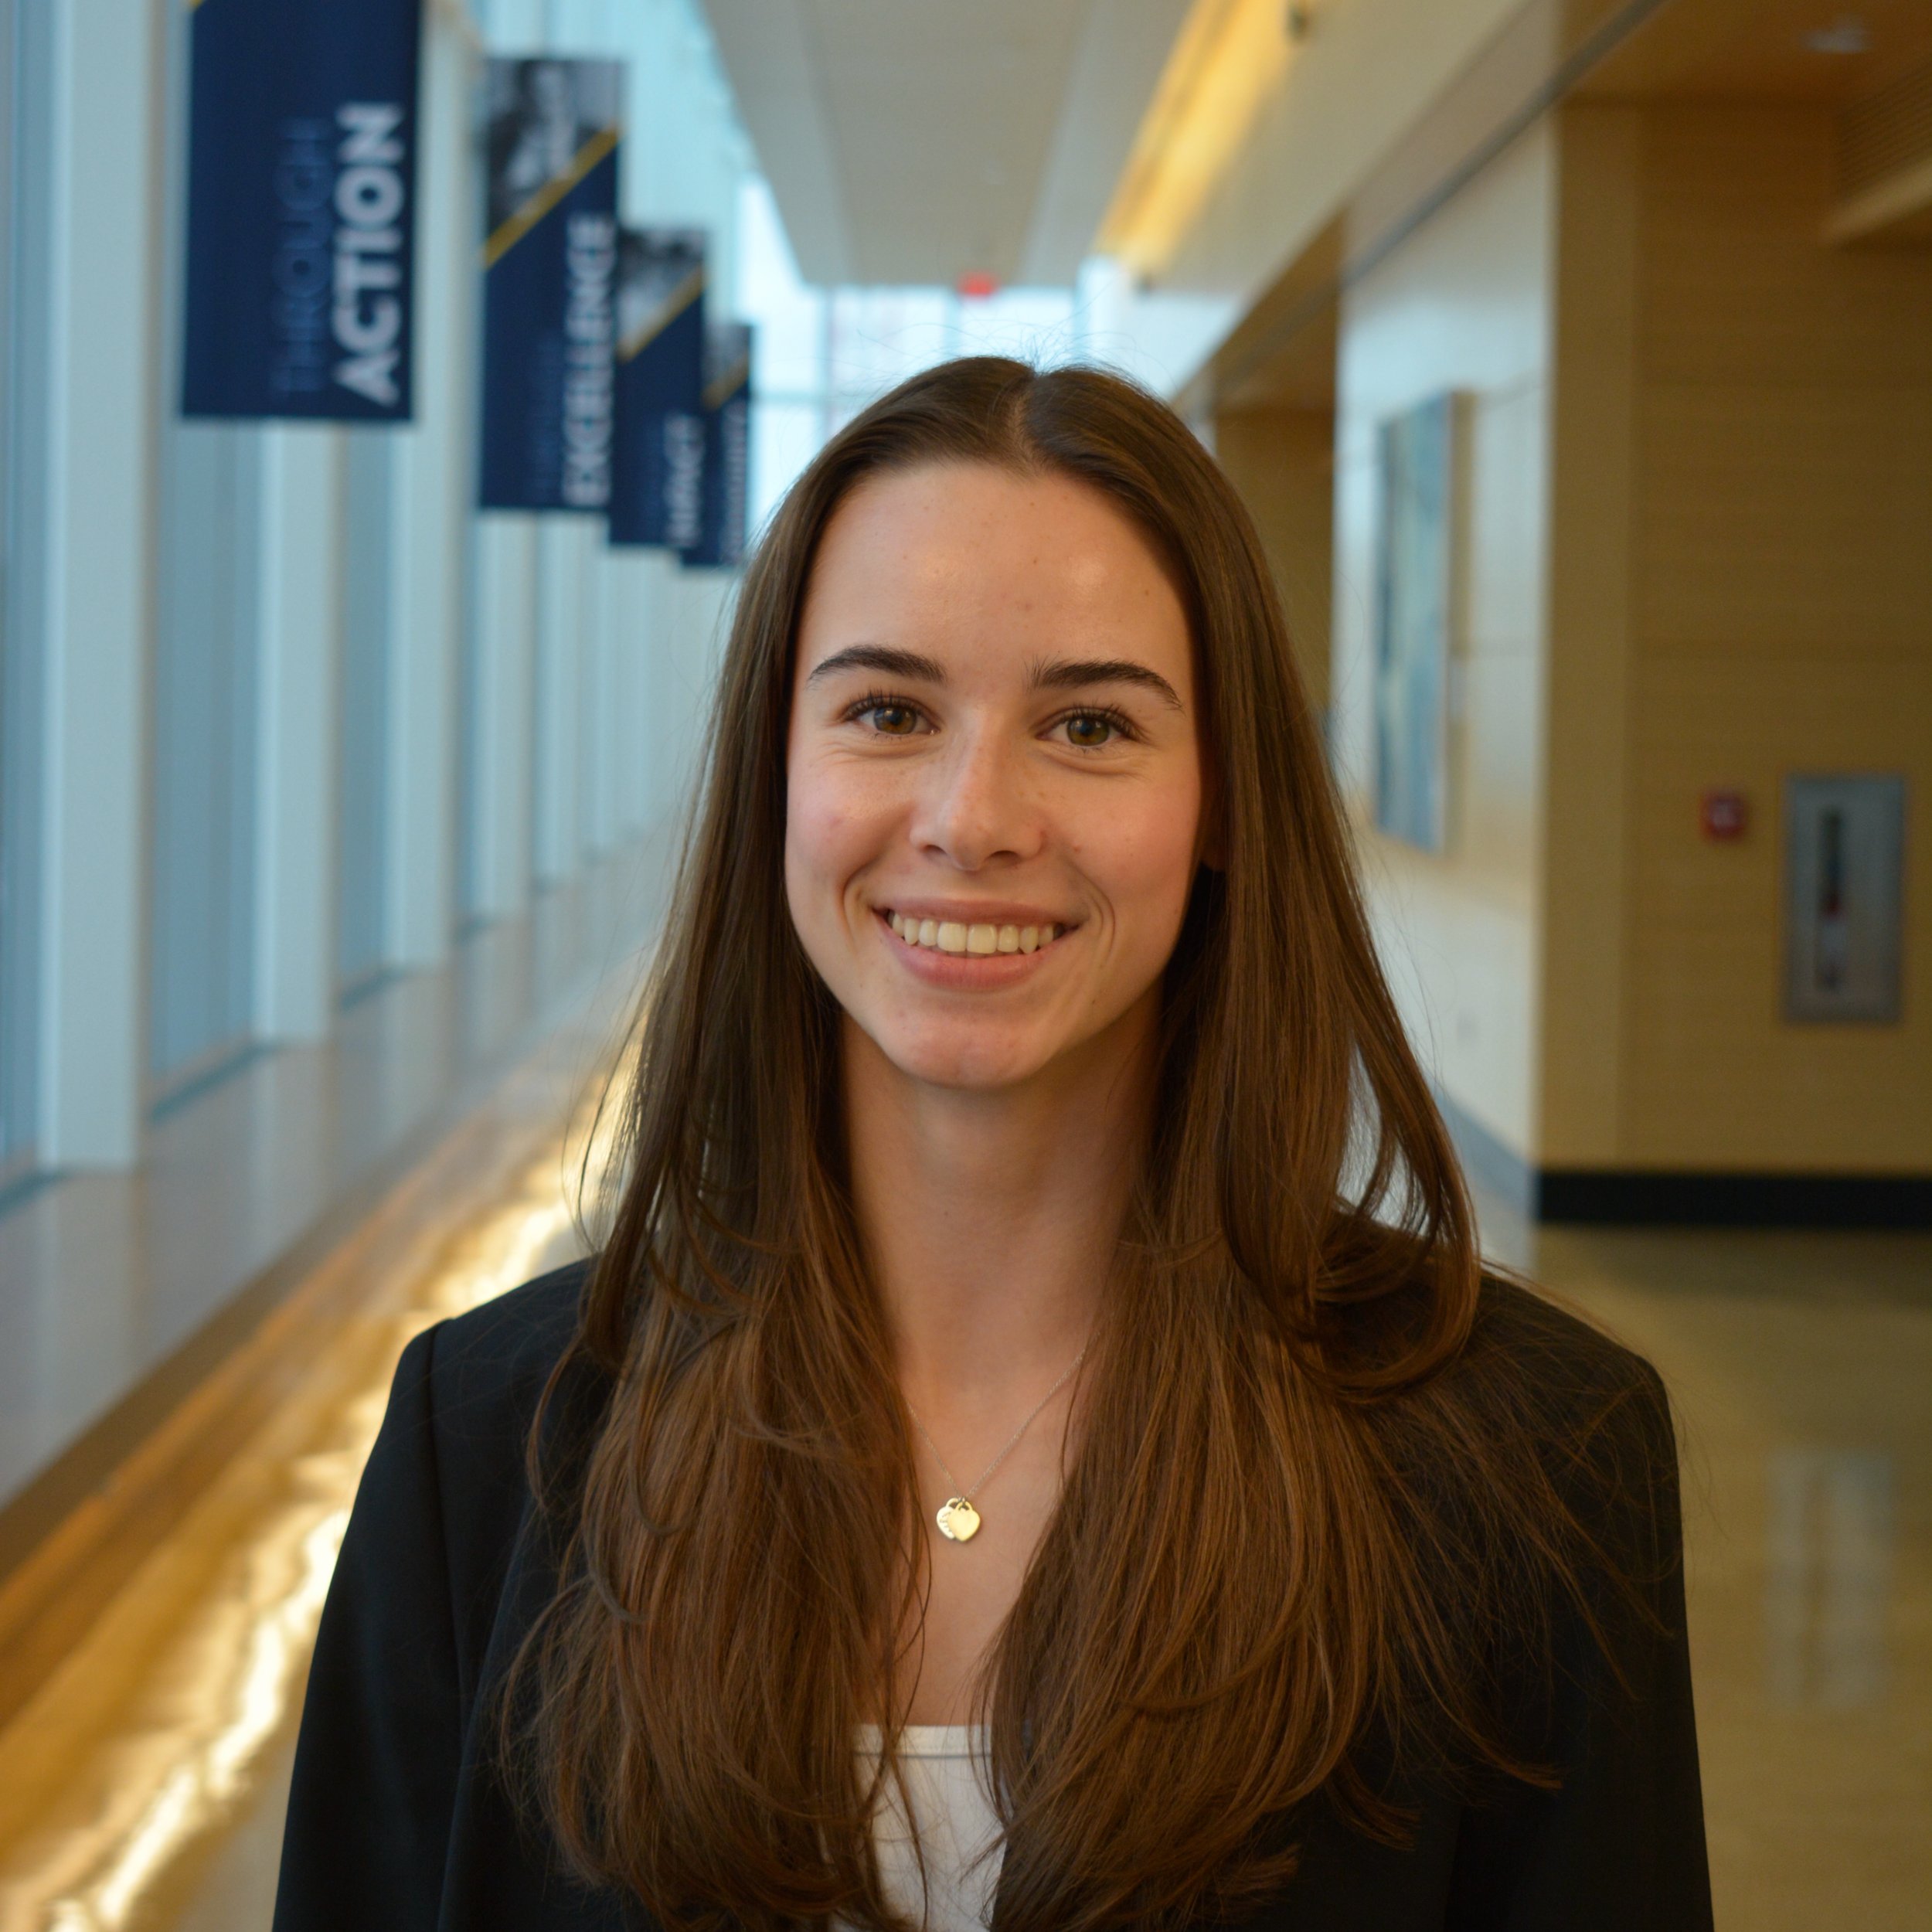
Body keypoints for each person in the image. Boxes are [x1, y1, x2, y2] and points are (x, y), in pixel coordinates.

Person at [273, 359, 1710, 1931]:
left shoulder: (1531, 1461)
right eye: (887, 710)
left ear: (1220, 796)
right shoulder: (488, 1445)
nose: (973, 814)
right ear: (777, 770)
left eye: (1088, 723)